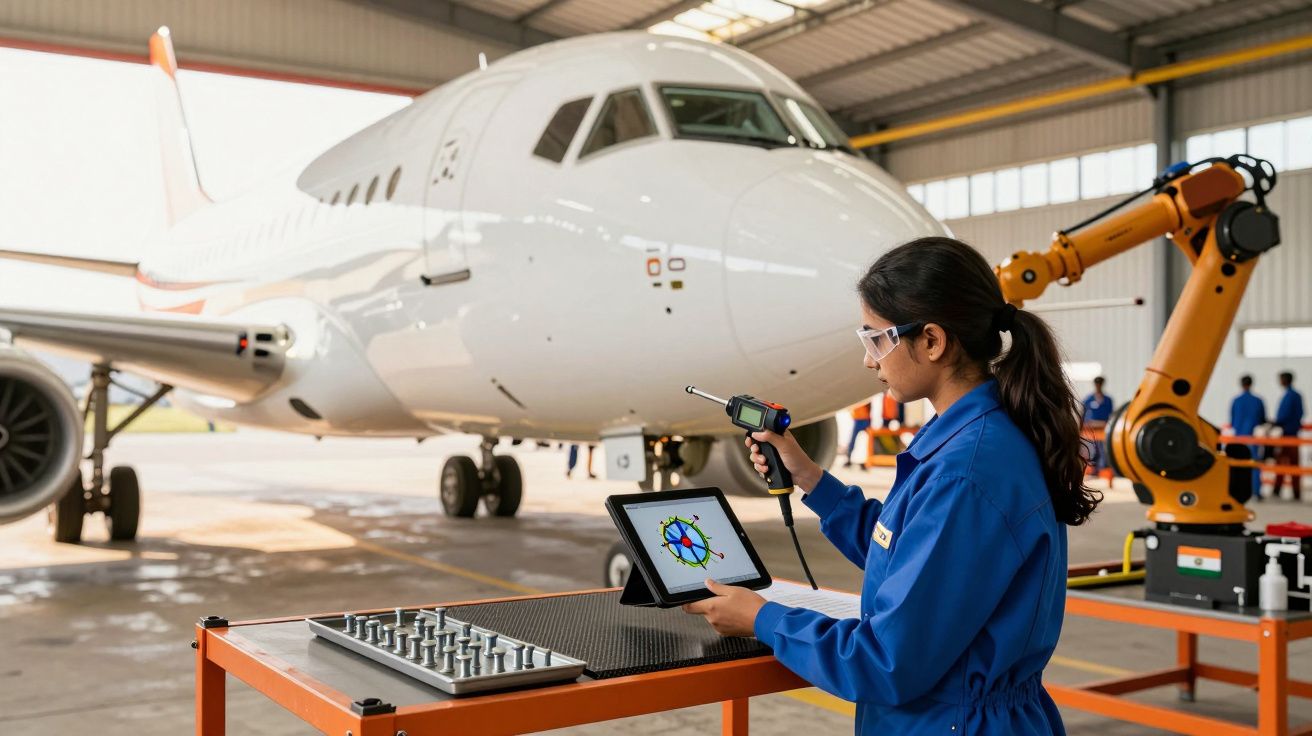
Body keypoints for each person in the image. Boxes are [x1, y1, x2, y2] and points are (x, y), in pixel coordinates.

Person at [683, 237, 1098, 735]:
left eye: (876, 339)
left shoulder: (964, 473)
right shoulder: (979, 437)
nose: (868, 360)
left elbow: (886, 662)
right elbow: (909, 554)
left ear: (932, 341)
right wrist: (811, 478)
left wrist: (764, 619)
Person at [1230, 375, 1267, 500]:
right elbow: (1262, 419)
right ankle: (1256, 492)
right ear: (1251, 384)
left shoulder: (1236, 401)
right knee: (1254, 464)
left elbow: (1232, 420)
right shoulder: (1258, 401)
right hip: (1253, 437)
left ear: (1241, 384)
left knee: (1238, 464)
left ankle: (1237, 491)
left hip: (1239, 437)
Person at [1273, 371, 1305, 500]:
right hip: (1292, 433)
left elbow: (1284, 416)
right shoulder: (1295, 395)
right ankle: (1295, 492)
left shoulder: (1290, 396)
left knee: (1282, 463)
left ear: (1284, 380)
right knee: (1292, 464)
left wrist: (1276, 422)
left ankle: (1278, 490)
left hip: (1288, 434)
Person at [1081, 377, 1113, 477]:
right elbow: (1082, 412)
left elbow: (1111, 414)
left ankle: (1103, 470)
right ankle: (1091, 470)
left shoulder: (1108, 400)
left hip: (1103, 429)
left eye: (1100, 384)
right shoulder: (1089, 399)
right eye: (1097, 384)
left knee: (1103, 450)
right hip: (1089, 429)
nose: (1098, 386)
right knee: (1090, 449)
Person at [844, 401, 873, 467]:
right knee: (855, 440)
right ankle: (849, 458)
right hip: (859, 419)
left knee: (865, 442)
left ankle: (863, 461)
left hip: (864, 419)